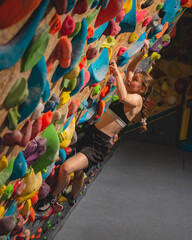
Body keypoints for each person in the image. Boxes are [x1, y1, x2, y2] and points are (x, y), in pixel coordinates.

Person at [36, 40, 153, 211]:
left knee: (67, 168)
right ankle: (72, 196)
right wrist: (141, 55)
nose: (130, 80)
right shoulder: (131, 89)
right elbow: (130, 69)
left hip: (98, 144)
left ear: (142, 89)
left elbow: (122, 97)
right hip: (93, 133)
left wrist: (118, 75)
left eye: (135, 80)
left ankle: (51, 200)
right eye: (132, 79)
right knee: (78, 172)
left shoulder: (136, 100)